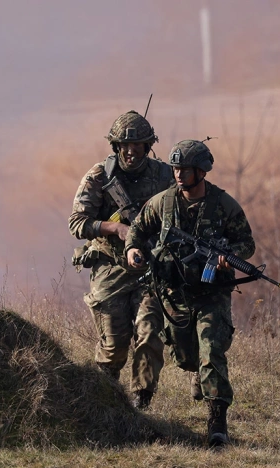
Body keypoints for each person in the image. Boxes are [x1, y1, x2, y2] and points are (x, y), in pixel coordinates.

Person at [125, 139, 255, 447]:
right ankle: (141, 401)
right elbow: (137, 230)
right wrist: (132, 250)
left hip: (210, 292)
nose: (179, 174)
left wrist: (229, 256)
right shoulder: (162, 203)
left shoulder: (224, 205)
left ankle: (217, 421)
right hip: (167, 289)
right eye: (175, 169)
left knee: (211, 349)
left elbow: (247, 244)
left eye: (185, 169)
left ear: (202, 171)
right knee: (158, 341)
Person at [69, 110, 173, 409]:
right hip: (111, 266)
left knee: (150, 333)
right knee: (114, 346)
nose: (131, 151)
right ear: (115, 146)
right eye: (125, 146)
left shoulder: (164, 177)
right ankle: (106, 402)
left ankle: (141, 401)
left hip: (149, 268)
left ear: (147, 145)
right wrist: (115, 228)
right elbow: (77, 222)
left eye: (137, 145)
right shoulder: (100, 176)